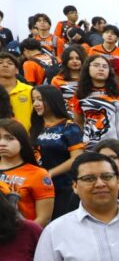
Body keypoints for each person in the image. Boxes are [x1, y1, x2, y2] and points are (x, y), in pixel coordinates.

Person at [30, 84, 83, 218]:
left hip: (63, 187)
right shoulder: (35, 127)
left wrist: (50, 173)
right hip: (38, 186)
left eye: (40, 99)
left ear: (52, 100)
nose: (35, 104)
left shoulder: (70, 127)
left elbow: (76, 158)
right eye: (33, 100)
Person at [0, 118, 55, 224]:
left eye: (10, 138)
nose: (2, 143)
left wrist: (25, 234)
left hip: (22, 232)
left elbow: (44, 218)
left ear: (22, 142)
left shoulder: (38, 174)